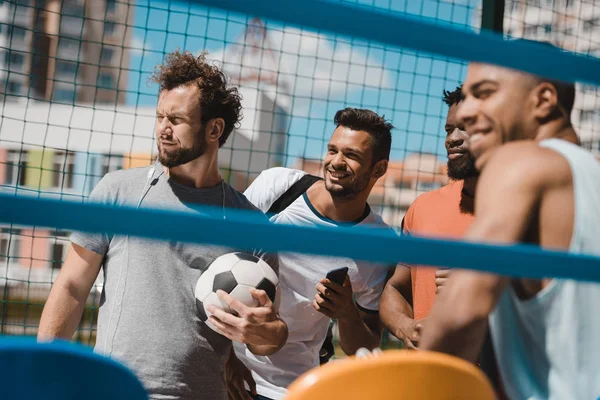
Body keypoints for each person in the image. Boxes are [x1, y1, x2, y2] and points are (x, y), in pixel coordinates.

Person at [37, 50, 288, 400]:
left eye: (177, 119)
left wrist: (266, 334)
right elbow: (71, 288)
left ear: (214, 129)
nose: (163, 130)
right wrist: (44, 374)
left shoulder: (251, 225)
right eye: (159, 117)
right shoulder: (118, 191)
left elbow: (270, 337)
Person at [420, 49, 600, 399]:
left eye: (485, 93)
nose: (468, 112)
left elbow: (461, 312)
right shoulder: (589, 175)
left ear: (543, 99)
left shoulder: (519, 162)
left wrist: (415, 386)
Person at [230, 108, 395, 400]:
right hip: (224, 367)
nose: (336, 162)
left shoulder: (379, 244)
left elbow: (366, 348)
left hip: (287, 388)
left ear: (379, 169)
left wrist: (347, 314)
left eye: (351, 155)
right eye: (332, 150)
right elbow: (217, 260)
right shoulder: (278, 188)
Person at [379, 86, 477, 349]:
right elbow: (395, 289)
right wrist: (405, 326)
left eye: (465, 127)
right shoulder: (423, 208)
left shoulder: (525, 213)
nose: (452, 139)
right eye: (448, 130)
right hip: (424, 380)